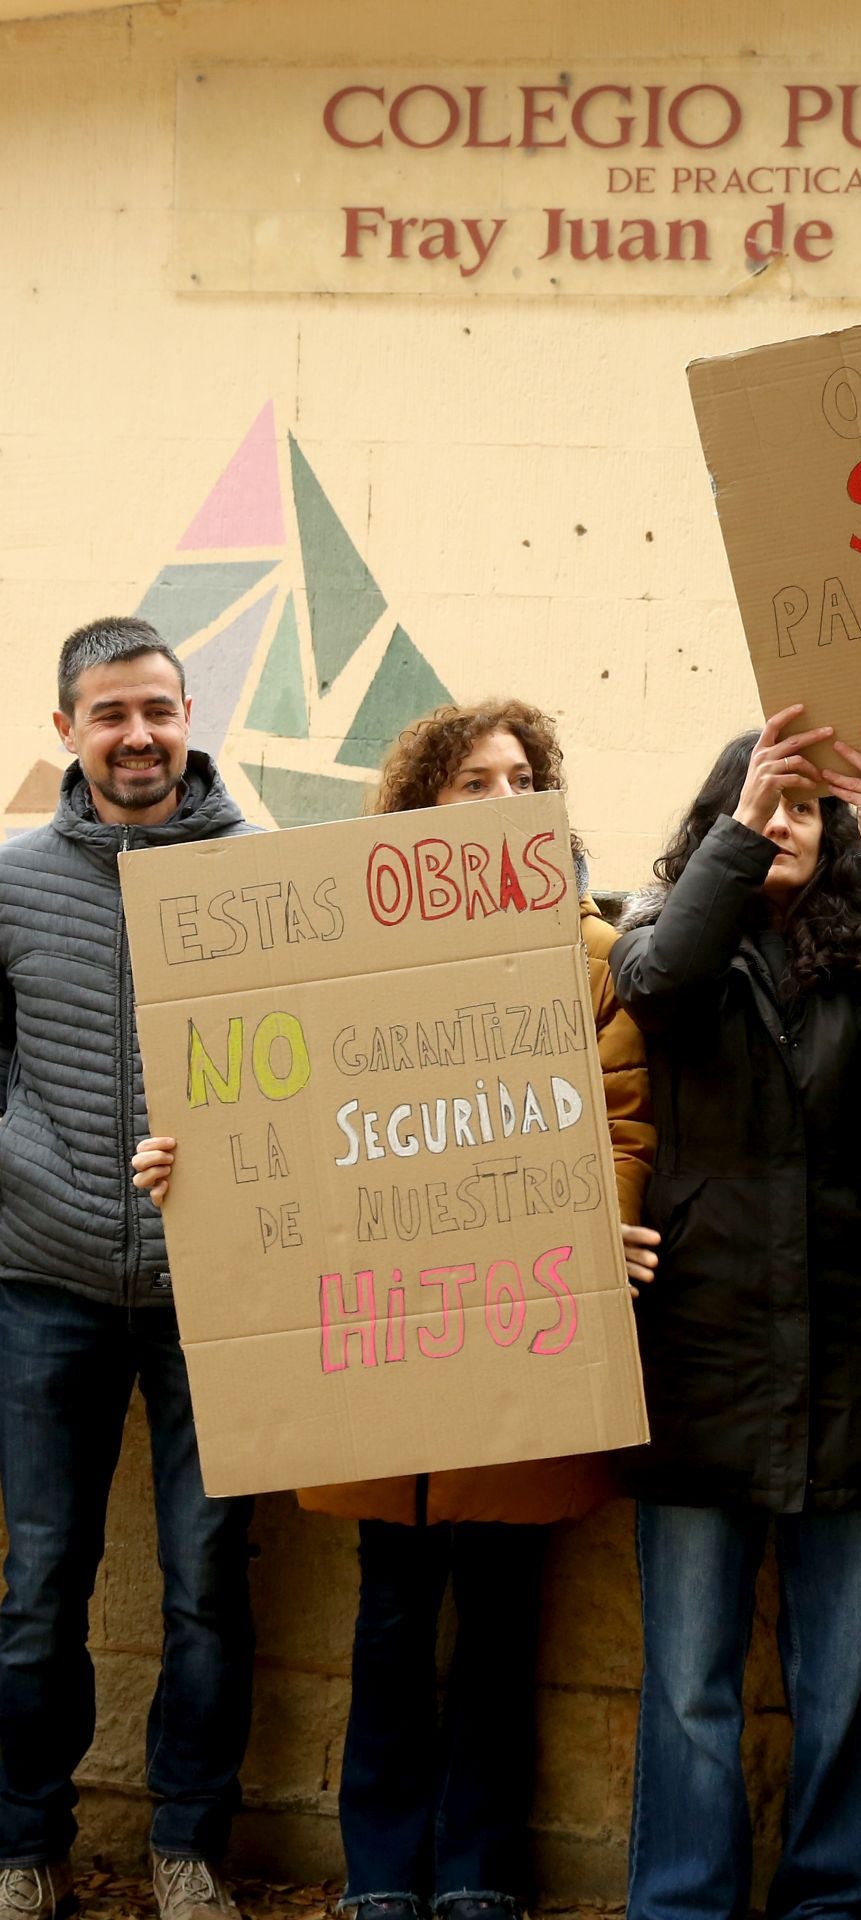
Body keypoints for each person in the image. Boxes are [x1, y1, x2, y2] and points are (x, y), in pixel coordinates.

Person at [136, 699, 656, 1920]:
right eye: (470, 780)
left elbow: (622, 1119)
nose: (497, 797)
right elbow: (268, 1118)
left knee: (499, 1623)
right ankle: (379, 1877)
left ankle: (475, 1872)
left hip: (518, 1335)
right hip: (381, 1351)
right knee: (388, 1615)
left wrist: (586, 1231)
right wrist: (188, 1170)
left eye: (518, 777)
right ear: (419, 805)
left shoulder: (587, 954)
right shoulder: (333, 956)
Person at [610, 706, 861, 1920]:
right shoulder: (667, 935)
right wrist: (739, 835)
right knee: (690, 1680)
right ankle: (679, 1903)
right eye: (765, 802)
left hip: (853, 1355)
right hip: (699, 1353)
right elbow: (653, 985)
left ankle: (824, 1901)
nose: (785, 827)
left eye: (805, 810)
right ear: (720, 820)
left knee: (843, 1677)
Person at [0, 618, 255, 1920]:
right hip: (44, 1285)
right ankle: (23, 1844)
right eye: (110, 715)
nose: (139, 735)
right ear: (66, 732)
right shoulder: (8, 883)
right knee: (41, 1581)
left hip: (221, 1299)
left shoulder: (268, 876)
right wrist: (31, 1166)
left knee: (210, 1582)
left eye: (158, 708)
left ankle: (188, 1848)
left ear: (189, 711)